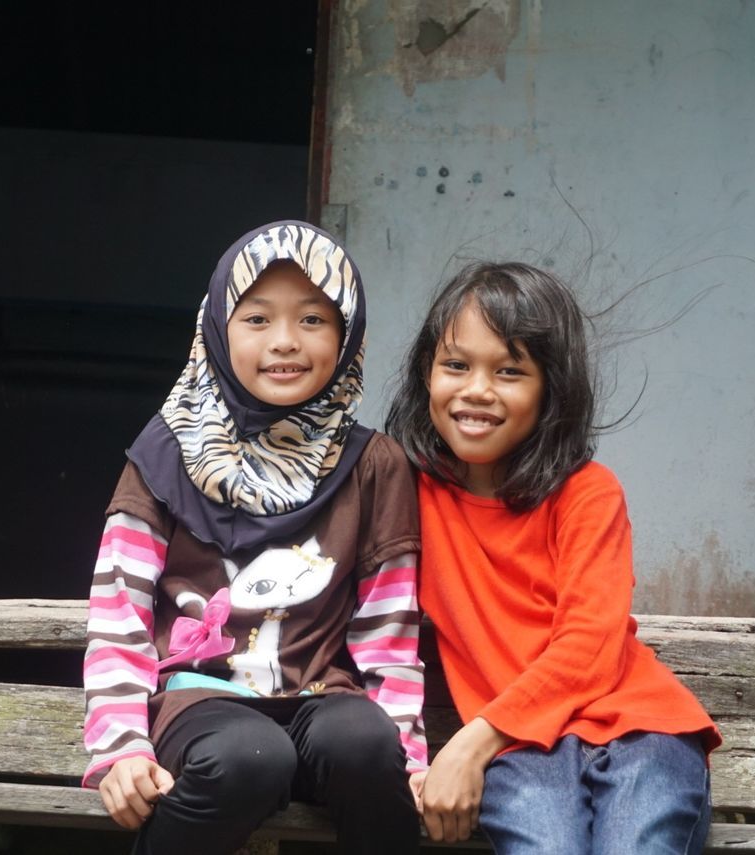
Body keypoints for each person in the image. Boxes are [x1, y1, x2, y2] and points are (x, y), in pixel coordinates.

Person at [82, 221, 428, 855]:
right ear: (217, 327)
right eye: (258, 319)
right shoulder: (165, 452)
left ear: (348, 335)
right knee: (251, 758)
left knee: (367, 745)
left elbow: (389, 634)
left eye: (315, 321)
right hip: (200, 699)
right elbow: (119, 614)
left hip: (325, 697)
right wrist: (122, 748)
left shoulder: (376, 465)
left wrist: (411, 754)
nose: (286, 343)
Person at [386, 262, 721, 853]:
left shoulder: (587, 491)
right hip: (520, 752)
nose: (477, 390)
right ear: (426, 374)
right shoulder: (403, 491)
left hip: (641, 732)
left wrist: (469, 744)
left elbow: (589, 650)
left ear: (550, 391)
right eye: (456, 365)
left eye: (510, 371)